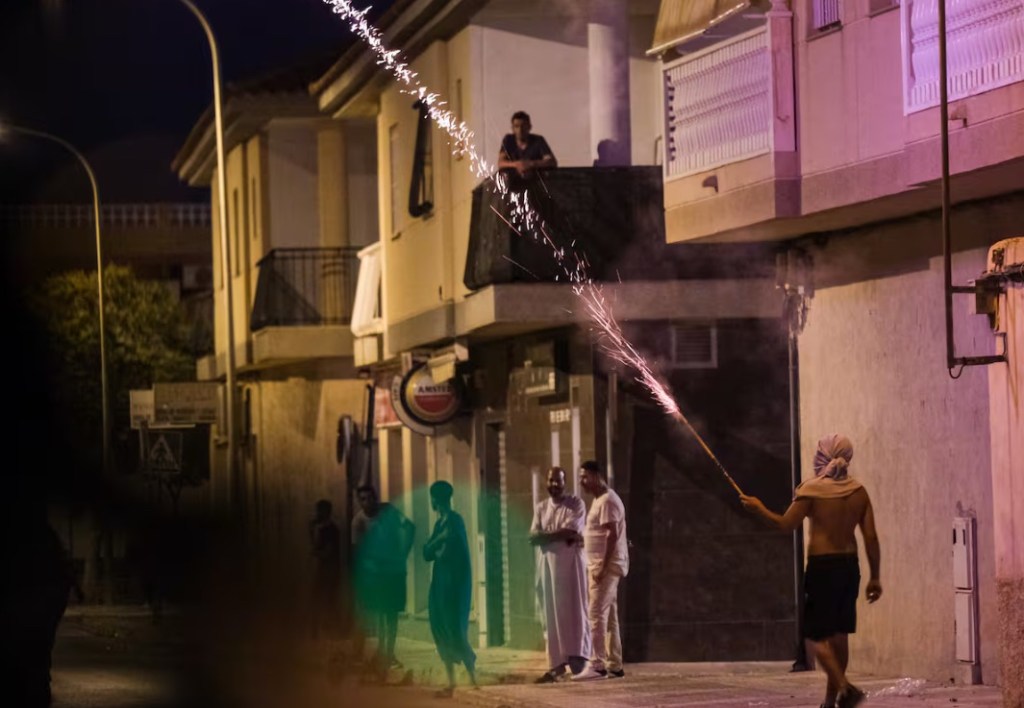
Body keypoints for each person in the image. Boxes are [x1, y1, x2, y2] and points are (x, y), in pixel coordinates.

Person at [740, 434, 882, 708]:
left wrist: (758, 509)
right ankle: (830, 702)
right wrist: (875, 576)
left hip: (822, 567)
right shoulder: (859, 492)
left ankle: (845, 688)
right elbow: (871, 537)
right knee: (840, 636)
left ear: (824, 456)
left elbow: (785, 524)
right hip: (849, 568)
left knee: (814, 636)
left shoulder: (811, 490)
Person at [530, 466, 591, 683]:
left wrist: (546, 536)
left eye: (558, 480)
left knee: (575, 611)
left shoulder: (575, 504)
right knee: (551, 614)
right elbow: (532, 536)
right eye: (551, 480)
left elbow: (571, 531)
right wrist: (558, 537)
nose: (554, 485)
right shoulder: (541, 507)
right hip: (547, 568)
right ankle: (556, 665)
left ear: (565, 482)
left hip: (571, 570)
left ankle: (578, 659)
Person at [351, 484, 414, 676]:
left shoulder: (388, 511)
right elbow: (357, 551)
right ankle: (382, 653)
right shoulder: (358, 522)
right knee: (379, 613)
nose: (368, 502)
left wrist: (403, 553)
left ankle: (389, 653)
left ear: (376, 498)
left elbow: (409, 527)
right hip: (375, 574)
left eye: (370, 498)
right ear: (359, 501)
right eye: (363, 499)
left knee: (391, 614)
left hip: (394, 571)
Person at [573, 460, 628, 681]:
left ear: (597, 476)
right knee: (610, 617)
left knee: (596, 614)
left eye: (585, 477)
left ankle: (597, 665)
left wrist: (602, 568)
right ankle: (615, 664)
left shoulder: (607, 500)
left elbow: (612, 535)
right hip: (602, 565)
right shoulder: (600, 500)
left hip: (604, 568)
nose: (582, 481)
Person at [423, 480, 477, 697]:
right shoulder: (440, 525)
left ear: (436, 500)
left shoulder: (455, 521)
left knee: (455, 630)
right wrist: (437, 542)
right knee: (441, 629)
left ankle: (472, 678)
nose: (432, 502)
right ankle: (452, 682)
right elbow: (427, 553)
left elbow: (446, 553)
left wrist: (435, 547)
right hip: (439, 584)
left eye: (432, 498)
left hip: (454, 586)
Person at [309, 499, 342, 639]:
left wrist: (315, 552)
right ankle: (318, 631)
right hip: (324, 570)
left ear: (326, 512)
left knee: (329, 601)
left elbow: (327, 552)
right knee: (320, 600)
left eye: (320, 511)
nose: (317, 513)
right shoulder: (321, 528)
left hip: (330, 571)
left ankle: (330, 630)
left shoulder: (332, 530)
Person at [497, 111, 557, 179]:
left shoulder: (538, 140)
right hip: (513, 180)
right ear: (512, 128)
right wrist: (518, 164)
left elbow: (551, 161)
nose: (520, 130)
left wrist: (531, 164)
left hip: (535, 179)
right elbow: (501, 163)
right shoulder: (508, 140)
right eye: (516, 126)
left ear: (529, 127)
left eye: (523, 126)